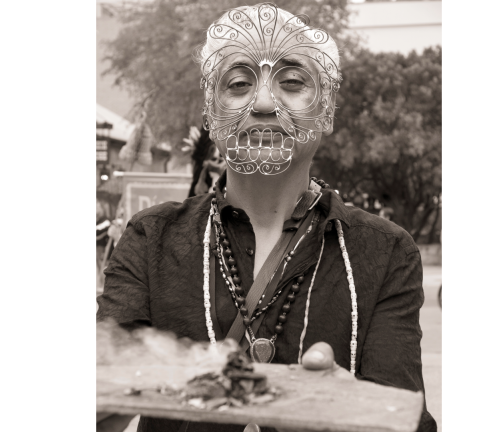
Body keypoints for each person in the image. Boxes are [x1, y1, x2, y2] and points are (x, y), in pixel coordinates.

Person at [96, 4, 436, 431]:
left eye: (292, 83)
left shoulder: (385, 251)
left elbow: (406, 417)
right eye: (238, 83)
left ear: (327, 109)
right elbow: (107, 384)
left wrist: (341, 410)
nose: (262, 102)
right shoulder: (151, 237)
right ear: (209, 112)